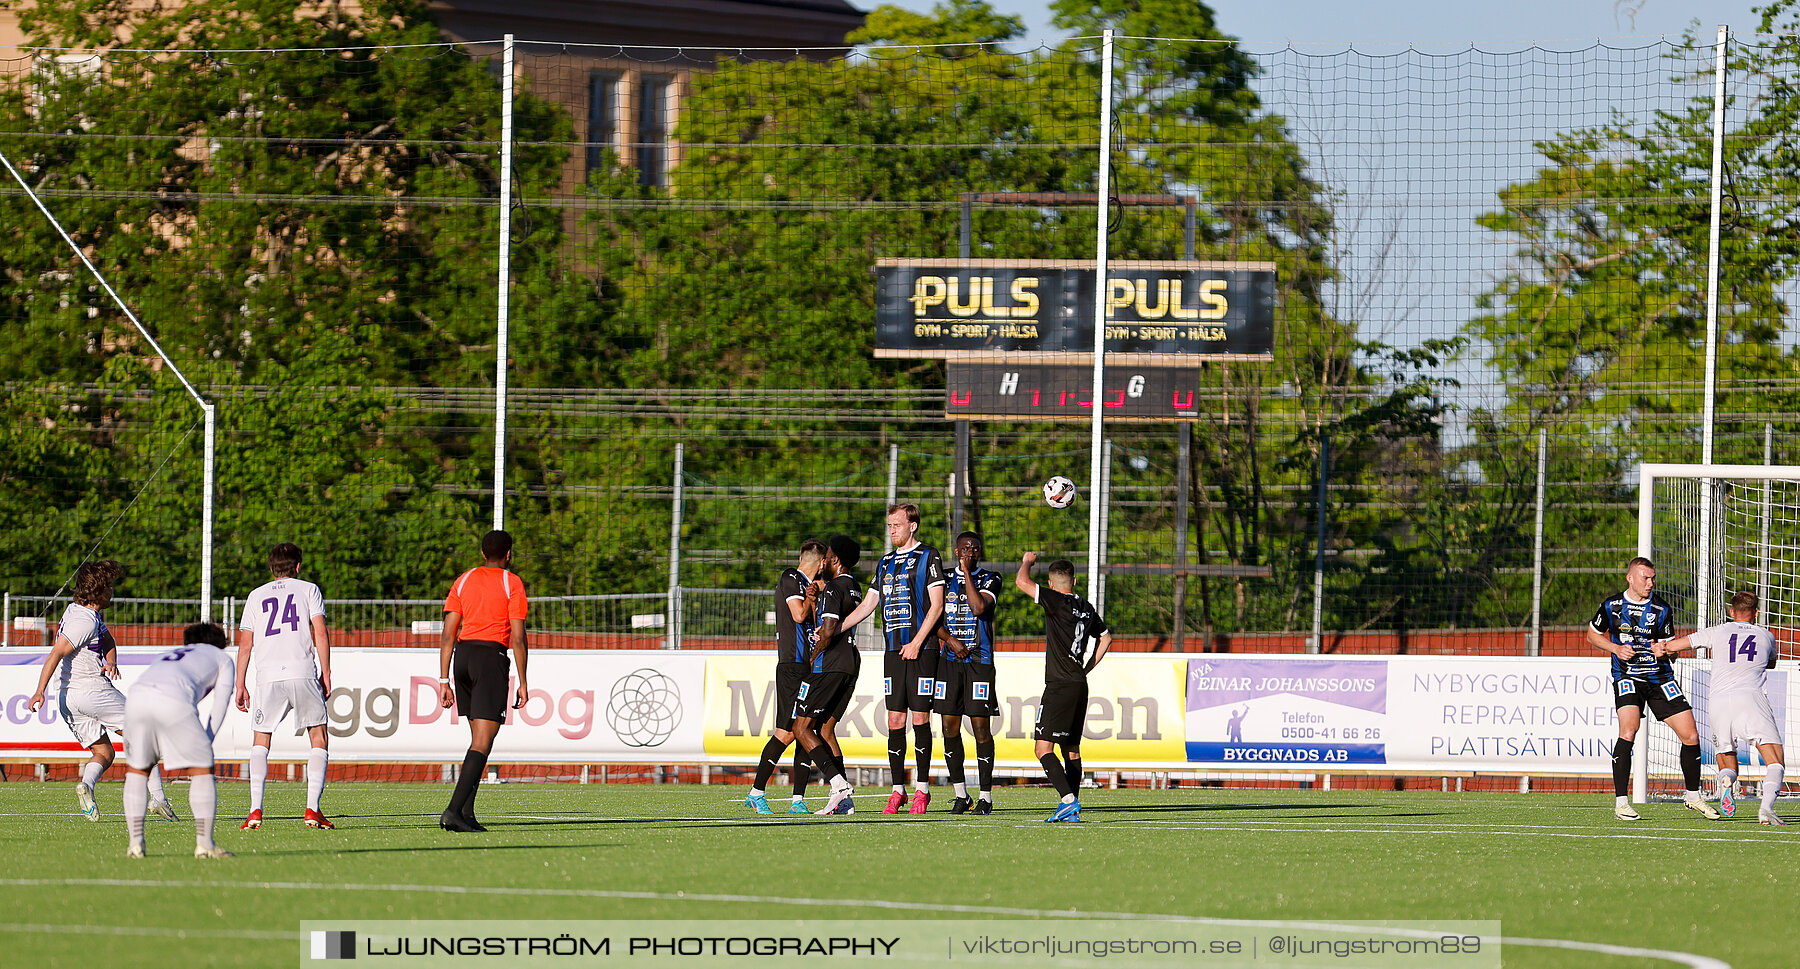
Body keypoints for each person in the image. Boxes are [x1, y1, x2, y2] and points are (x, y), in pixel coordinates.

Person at [28, 560, 178, 824]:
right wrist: (38, 691)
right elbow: (56, 653)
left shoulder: (81, 612)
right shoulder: (84, 622)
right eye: (108, 586)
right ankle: (158, 798)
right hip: (91, 690)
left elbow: (108, 640)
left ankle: (86, 787)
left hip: (68, 698)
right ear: (97, 590)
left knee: (105, 753)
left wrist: (111, 662)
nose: (112, 590)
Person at [1587, 556, 1717, 821]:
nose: (1650, 583)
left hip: (1661, 679)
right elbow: (1591, 635)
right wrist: (1615, 648)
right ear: (1630, 578)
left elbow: (1672, 653)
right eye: (1645, 578)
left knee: (1691, 735)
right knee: (1629, 729)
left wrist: (1666, 651)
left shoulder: (1662, 609)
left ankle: (1693, 796)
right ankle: (1622, 803)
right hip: (1627, 676)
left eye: (1653, 578)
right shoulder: (1611, 606)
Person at [839, 503, 946, 814]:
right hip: (893, 651)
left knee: (920, 718)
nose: (892, 530)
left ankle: (922, 790)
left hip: (921, 649)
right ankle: (898, 790)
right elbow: (867, 605)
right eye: (889, 526)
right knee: (895, 720)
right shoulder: (885, 563)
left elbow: (937, 606)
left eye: (897, 525)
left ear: (912, 526)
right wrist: (835, 629)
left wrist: (916, 641)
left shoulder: (929, 556)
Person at [1657, 591, 1786, 825]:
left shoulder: (1717, 631)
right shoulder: (1766, 636)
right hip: (1751, 699)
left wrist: (1663, 647)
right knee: (1775, 761)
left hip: (1718, 701)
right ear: (1756, 613)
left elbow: (1675, 646)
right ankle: (1766, 809)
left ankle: (1726, 781)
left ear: (1731, 612)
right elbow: (1771, 662)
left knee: (1726, 759)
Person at [234, 542, 334, 830]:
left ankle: (254, 811)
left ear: (271, 568)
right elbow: (321, 633)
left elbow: (245, 646)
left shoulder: (256, 596)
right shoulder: (309, 590)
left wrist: (240, 684)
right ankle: (312, 809)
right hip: (302, 671)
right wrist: (326, 671)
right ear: (298, 567)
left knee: (260, 741)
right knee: (319, 737)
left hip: (267, 676)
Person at [436, 529, 529, 832]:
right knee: (483, 741)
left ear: (481, 553)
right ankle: (452, 811)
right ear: (509, 555)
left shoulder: (463, 580)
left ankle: (466, 813)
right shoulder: (510, 582)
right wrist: (524, 681)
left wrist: (443, 679)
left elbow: (449, 632)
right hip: (490, 658)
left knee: (480, 740)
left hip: (463, 658)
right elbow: (517, 637)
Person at [121, 622, 237, 859]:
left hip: (135, 698)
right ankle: (204, 844)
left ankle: (135, 845)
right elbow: (221, 703)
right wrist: (208, 740)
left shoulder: (169, 654)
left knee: (137, 771)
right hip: (173, 699)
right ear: (220, 643)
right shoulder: (221, 658)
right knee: (201, 770)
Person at [1016, 553, 1110, 823]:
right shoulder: (1086, 607)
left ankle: (1068, 801)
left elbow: (1021, 582)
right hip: (1079, 684)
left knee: (1042, 749)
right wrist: (1087, 667)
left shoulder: (1055, 600)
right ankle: (1073, 806)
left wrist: (1027, 561)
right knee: (1071, 749)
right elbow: (1106, 638)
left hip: (1059, 686)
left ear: (1051, 584)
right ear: (1075, 581)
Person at [747, 539, 829, 815]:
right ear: (819, 563)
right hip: (792, 667)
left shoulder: (810, 588)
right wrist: (811, 596)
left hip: (807, 666)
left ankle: (798, 800)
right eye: (824, 563)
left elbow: (811, 622)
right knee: (786, 732)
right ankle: (757, 792)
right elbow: (797, 614)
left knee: (805, 730)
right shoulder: (791, 577)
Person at [934, 531, 1001, 815]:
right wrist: (949, 639)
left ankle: (985, 797)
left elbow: (977, 607)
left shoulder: (990, 578)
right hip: (949, 660)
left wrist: (965, 573)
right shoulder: (943, 578)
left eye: (974, 549)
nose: (969, 553)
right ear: (955, 550)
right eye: (964, 549)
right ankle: (961, 795)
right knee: (949, 726)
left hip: (979, 662)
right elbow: (930, 617)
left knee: (980, 728)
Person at [798, 535, 865, 816]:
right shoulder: (854, 587)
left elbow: (827, 630)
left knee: (801, 728)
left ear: (835, 560)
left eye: (826, 557)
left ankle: (838, 785)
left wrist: (812, 658)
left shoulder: (835, 587)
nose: (822, 562)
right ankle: (844, 802)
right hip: (851, 663)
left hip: (830, 663)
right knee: (825, 729)